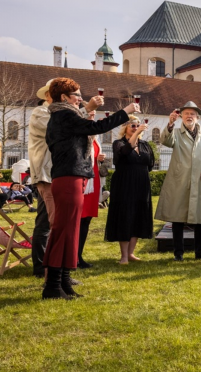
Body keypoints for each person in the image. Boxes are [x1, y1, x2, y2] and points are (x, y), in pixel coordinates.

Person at [42, 78, 134, 300]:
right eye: (76, 95)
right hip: (68, 178)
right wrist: (125, 112)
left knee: (70, 230)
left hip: (73, 177)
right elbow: (97, 127)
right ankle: (53, 286)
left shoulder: (65, 116)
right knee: (63, 230)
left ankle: (63, 281)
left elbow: (87, 127)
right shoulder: (63, 115)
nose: (80, 99)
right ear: (64, 98)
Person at [157, 102, 201, 261]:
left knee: (200, 218)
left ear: (197, 117)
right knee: (178, 218)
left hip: (199, 181)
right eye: (186, 113)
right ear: (181, 116)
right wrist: (169, 124)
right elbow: (165, 141)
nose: (189, 116)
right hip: (180, 181)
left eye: (192, 114)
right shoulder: (175, 132)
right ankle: (178, 253)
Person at [105, 115, 154, 265]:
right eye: (132, 125)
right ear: (125, 127)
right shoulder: (118, 143)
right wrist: (136, 134)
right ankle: (124, 256)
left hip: (141, 183)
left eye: (137, 125)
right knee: (125, 216)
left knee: (138, 215)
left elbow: (150, 163)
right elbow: (125, 152)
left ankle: (131, 253)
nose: (135, 128)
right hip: (124, 184)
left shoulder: (145, 144)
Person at [28, 79, 55, 278]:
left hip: (54, 172)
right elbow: (57, 131)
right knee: (45, 222)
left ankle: (47, 264)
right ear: (48, 96)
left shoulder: (54, 113)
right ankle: (40, 266)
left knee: (48, 220)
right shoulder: (41, 112)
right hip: (46, 173)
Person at [76, 112, 103, 269]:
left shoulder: (94, 136)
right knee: (78, 220)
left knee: (86, 220)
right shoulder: (80, 134)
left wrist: (99, 158)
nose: (92, 117)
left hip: (93, 180)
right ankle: (73, 256)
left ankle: (79, 255)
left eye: (93, 115)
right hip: (83, 180)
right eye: (89, 115)